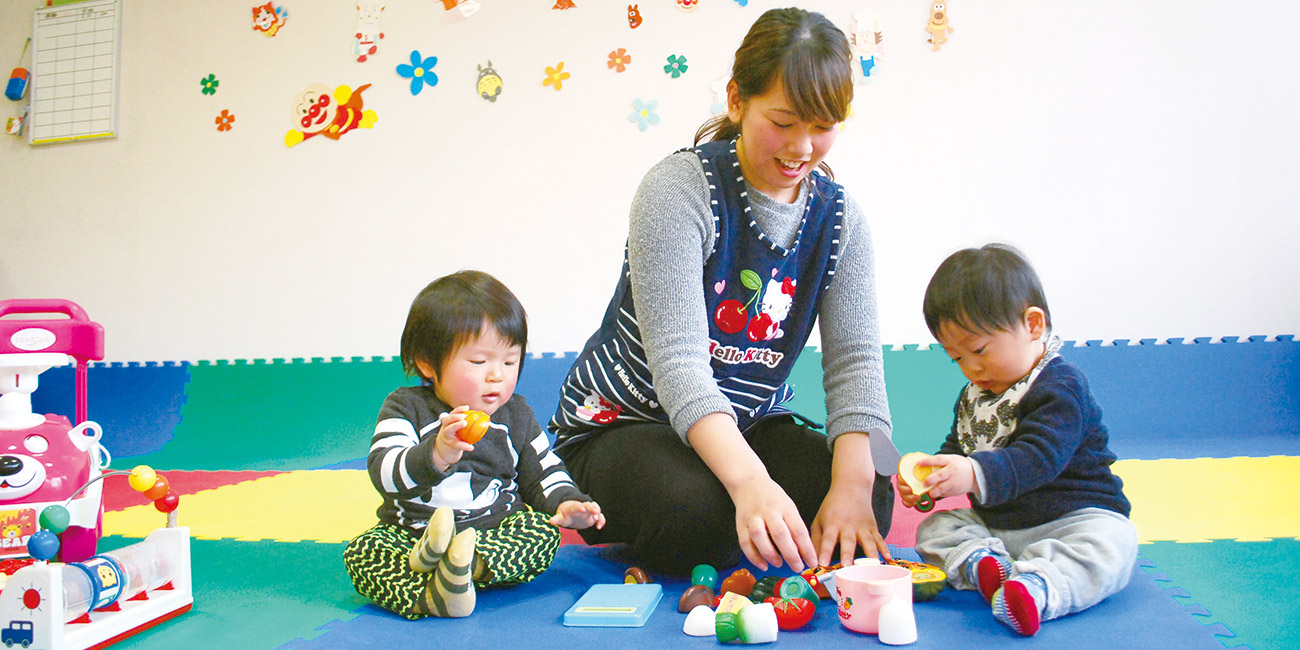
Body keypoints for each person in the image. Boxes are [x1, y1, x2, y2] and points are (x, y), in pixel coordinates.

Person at [549, 7, 899, 576]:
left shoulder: (841, 220)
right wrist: (751, 485)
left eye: (823, 124)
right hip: (630, 422)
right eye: (783, 122)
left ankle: (757, 514)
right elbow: (681, 367)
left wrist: (853, 486)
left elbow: (856, 363)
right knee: (695, 515)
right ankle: (714, 515)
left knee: (867, 501)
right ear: (736, 100)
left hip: (747, 423)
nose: (803, 147)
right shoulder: (678, 190)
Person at [899, 244, 1137, 636]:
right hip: (1000, 527)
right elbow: (961, 445)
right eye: (955, 358)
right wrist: (934, 480)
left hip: (1073, 519)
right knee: (934, 530)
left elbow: (1039, 457)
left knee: (1113, 545)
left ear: (1033, 324)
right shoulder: (976, 393)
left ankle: (1037, 588)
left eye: (978, 350)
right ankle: (984, 564)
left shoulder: (1060, 387)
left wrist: (972, 474)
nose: (970, 368)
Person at [344, 270, 605, 619]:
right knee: (364, 551)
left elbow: (543, 470)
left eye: (510, 361)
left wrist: (568, 501)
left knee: (543, 534)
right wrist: (436, 454)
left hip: (490, 536)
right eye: (479, 362)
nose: (496, 374)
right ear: (427, 363)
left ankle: (465, 567)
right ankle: (431, 592)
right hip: (411, 535)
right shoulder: (404, 407)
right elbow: (385, 474)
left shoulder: (517, 416)